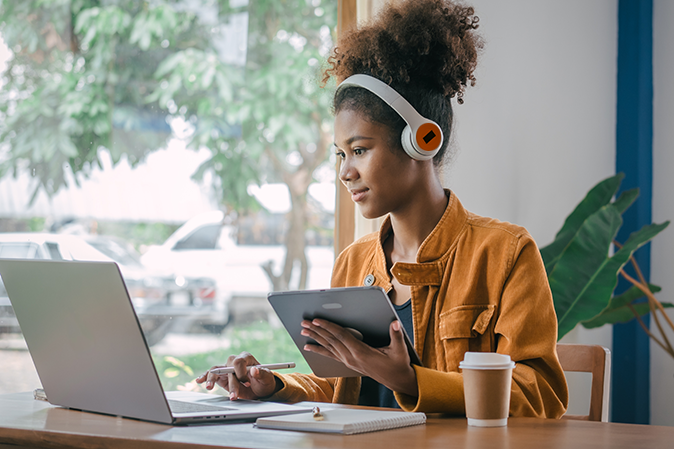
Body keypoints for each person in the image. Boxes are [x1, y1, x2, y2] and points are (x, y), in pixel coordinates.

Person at [196, 0, 569, 418]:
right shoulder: (354, 262)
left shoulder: (505, 254)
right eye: (340, 154)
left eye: (359, 150)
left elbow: (541, 397)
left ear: (421, 141)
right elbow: (339, 387)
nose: (345, 172)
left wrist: (409, 380)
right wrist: (274, 385)